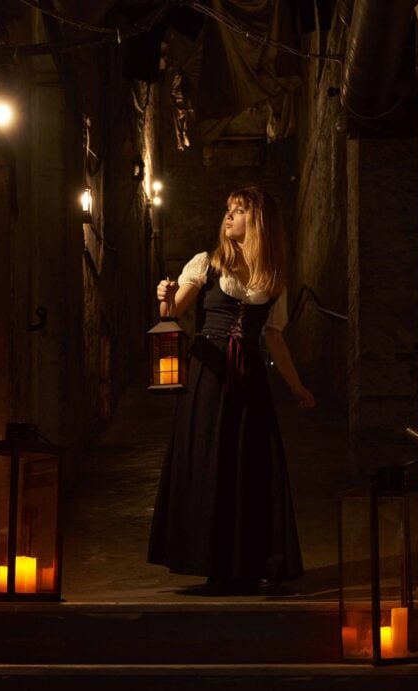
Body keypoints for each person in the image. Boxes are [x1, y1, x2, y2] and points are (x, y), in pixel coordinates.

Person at [147, 186, 316, 595]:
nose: (229, 217)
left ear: (257, 221)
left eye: (238, 211)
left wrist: (297, 387)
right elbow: (175, 312)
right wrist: (165, 297)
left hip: (249, 378)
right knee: (211, 460)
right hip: (209, 372)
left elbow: (273, 337)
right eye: (228, 210)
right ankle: (213, 561)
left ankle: (256, 562)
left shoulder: (273, 280)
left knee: (251, 464)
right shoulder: (206, 264)